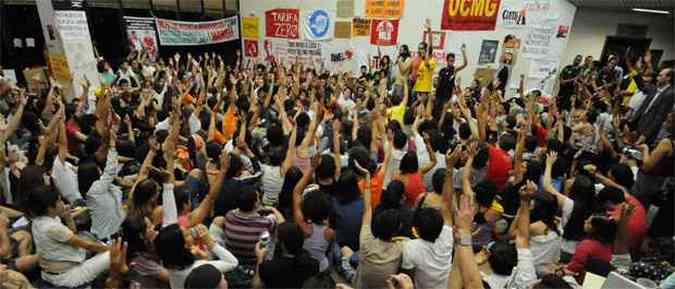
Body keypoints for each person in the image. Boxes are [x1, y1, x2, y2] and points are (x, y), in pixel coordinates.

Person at [400, 148, 460, 289]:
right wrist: (449, 167)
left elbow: (407, 276)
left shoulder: (411, 248)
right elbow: (446, 203)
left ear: (417, 230)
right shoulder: (447, 238)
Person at [252, 222, 320, 289]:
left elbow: (256, 286)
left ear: (282, 245)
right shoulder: (311, 264)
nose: (275, 240)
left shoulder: (268, 267)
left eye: (276, 238)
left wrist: (260, 258)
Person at [631, 68, 674, 146]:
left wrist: (645, 135)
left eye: (660, 75)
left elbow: (659, 117)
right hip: (638, 124)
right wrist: (632, 69)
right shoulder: (654, 88)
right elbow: (642, 86)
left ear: (668, 78)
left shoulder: (670, 94)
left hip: (647, 131)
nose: (657, 77)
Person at [434, 44, 467, 120]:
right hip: (439, 93)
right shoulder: (442, 70)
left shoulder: (454, 69)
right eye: (450, 60)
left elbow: (465, 64)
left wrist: (463, 52)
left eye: (453, 61)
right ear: (447, 60)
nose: (451, 62)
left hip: (447, 95)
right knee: (436, 110)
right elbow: (438, 81)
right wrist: (435, 86)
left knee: (443, 112)